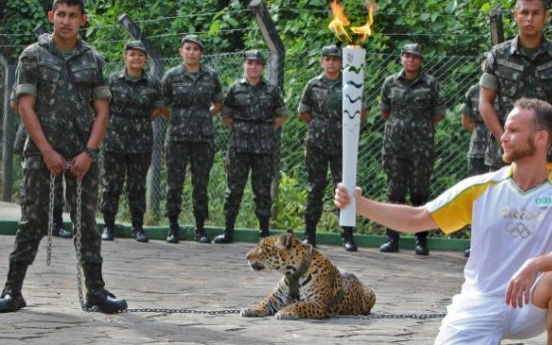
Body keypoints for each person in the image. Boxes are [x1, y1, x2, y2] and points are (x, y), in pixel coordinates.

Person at [335, 98, 552, 344]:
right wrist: (359, 204)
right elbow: (416, 219)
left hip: (532, 302)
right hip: (481, 301)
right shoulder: (481, 189)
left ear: (541, 138)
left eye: (514, 131)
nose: (503, 136)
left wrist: (536, 264)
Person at [0, 0, 127, 313]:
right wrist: (47, 152)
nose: (66, 21)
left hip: (82, 156)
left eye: (73, 16)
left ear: (82, 20)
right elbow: (25, 106)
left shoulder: (93, 58)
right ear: (51, 17)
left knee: (86, 224)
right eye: (61, 15)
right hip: (40, 154)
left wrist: (90, 152)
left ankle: (96, 292)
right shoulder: (33, 55)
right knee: (33, 221)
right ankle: (12, 290)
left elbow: (102, 110)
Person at [378, 43, 447, 255]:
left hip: (421, 147)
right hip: (395, 147)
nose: (411, 60)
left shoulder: (431, 84)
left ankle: (421, 240)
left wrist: (418, 128)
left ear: (421, 61)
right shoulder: (390, 83)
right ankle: (392, 238)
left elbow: (438, 114)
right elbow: (385, 111)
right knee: (394, 192)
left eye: (415, 57)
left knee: (420, 193)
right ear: (401, 59)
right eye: (407, 56)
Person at [213, 50, 288, 244]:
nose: (253, 66)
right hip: (239, 147)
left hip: (263, 148)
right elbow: (226, 116)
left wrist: (264, 129)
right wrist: (243, 129)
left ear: (263, 67)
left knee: (262, 191)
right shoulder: (235, 89)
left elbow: (282, 115)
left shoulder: (272, 90)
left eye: (257, 63)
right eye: (249, 63)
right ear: (244, 65)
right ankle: (228, 231)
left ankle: (264, 233)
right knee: (234, 189)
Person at [297, 45, 367, 252]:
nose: (331, 63)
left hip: (343, 145)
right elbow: (303, 113)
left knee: (345, 188)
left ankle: (346, 235)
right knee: (314, 188)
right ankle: (309, 234)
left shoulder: (351, 84)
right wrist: (322, 126)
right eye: (327, 59)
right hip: (316, 145)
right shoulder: (313, 84)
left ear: (341, 62)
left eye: (335, 59)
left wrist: (341, 127)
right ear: (321, 61)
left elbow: (361, 113)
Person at [160, 34, 223, 244]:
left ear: (201, 53)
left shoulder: (210, 76)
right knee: (174, 182)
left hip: (203, 138)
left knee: (201, 183)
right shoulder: (172, 76)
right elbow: (162, 105)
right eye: (188, 48)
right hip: (177, 137)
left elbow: (218, 103)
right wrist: (177, 119)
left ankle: (200, 227)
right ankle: (173, 227)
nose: (192, 52)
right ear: (181, 51)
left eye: (196, 49)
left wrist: (205, 116)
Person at [99, 41, 164, 243]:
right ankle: (108, 226)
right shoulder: (113, 80)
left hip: (141, 139)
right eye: (132, 54)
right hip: (114, 138)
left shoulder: (153, 83)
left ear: (145, 59)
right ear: (125, 56)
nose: (136, 58)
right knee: (111, 183)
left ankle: (138, 227)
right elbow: (104, 107)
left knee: (137, 186)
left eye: (140, 55)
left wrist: (138, 121)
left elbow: (157, 109)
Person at [480, 0, 552, 171]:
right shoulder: (498, 55)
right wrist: (503, 139)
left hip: (547, 153)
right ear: (515, 15)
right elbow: (485, 102)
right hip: (505, 154)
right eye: (524, 12)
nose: (529, 18)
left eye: (536, 13)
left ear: (546, 17)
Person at [12, 88, 73, 239]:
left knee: (57, 180)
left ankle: (56, 224)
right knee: (30, 181)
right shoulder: (31, 69)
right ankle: (27, 222)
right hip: (31, 134)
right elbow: (14, 103)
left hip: (58, 134)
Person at [459, 53, 490, 257]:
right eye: (486, 63)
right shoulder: (473, 91)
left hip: (502, 150)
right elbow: (466, 120)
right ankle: (475, 242)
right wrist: (482, 133)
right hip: (478, 150)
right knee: (477, 196)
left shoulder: (507, 89)